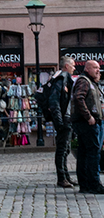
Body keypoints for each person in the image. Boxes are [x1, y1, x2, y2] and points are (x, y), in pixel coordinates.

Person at [44, 56, 77, 187]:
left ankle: (66, 177)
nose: (75, 68)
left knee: (66, 149)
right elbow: (54, 102)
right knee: (62, 150)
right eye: (73, 65)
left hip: (66, 119)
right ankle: (61, 178)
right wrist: (59, 123)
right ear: (67, 66)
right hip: (64, 120)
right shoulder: (61, 80)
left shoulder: (65, 79)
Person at [74, 60, 104, 194]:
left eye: (99, 68)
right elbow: (78, 98)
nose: (98, 70)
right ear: (87, 68)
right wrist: (89, 116)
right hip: (87, 123)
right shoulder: (84, 81)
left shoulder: (91, 82)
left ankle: (86, 184)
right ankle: (94, 184)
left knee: (85, 153)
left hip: (87, 123)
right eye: (95, 68)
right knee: (92, 153)